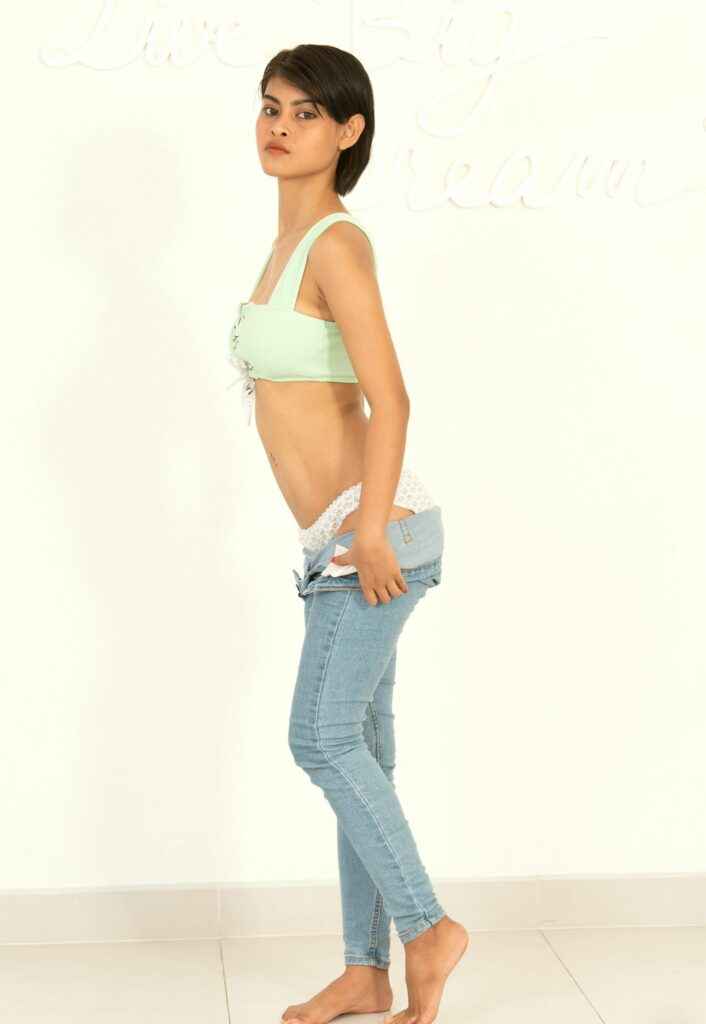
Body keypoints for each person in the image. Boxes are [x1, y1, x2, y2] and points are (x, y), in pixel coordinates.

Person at [228, 43, 469, 1024]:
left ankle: (428, 929)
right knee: (359, 753)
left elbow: (392, 398)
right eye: (270, 107)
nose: (279, 126)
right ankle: (366, 971)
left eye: (305, 113)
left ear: (348, 131)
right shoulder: (285, 243)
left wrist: (367, 530)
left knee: (321, 738)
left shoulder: (336, 243)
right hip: (332, 539)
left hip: (372, 536)